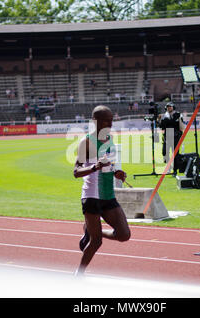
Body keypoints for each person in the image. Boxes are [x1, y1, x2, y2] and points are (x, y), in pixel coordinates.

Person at [73, 105, 130, 276]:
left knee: (124, 234)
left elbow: (108, 166)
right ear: (95, 121)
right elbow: (76, 172)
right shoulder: (87, 142)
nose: (110, 123)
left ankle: (91, 230)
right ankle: (79, 274)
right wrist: (94, 167)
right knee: (96, 242)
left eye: (112, 120)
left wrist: (116, 173)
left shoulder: (110, 140)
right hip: (92, 196)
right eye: (107, 120)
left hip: (108, 194)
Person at [157, 102, 186, 175]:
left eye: (170, 106)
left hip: (176, 135)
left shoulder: (178, 115)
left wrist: (179, 119)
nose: (169, 108)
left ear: (173, 107)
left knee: (175, 154)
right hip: (167, 135)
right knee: (164, 152)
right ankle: (168, 167)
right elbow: (161, 127)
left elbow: (182, 127)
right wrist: (159, 120)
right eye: (167, 107)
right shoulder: (164, 116)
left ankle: (175, 170)